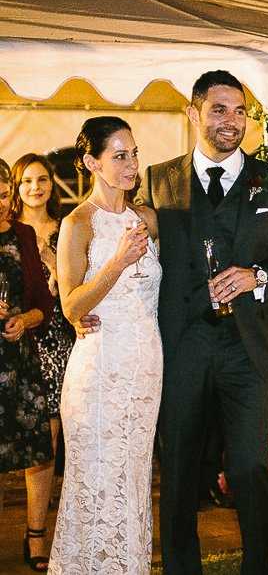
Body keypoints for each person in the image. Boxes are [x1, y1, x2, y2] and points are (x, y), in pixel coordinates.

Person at [135, 70, 268, 575]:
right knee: (179, 469)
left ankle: (257, 567)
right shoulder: (158, 179)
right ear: (193, 114)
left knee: (250, 465)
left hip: (246, 345)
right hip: (181, 343)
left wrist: (258, 276)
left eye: (240, 112)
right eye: (219, 109)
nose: (232, 121)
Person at [46, 117, 160, 573]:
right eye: (120, 156)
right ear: (92, 162)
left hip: (146, 365)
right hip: (100, 367)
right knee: (97, 477)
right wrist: (117, 261)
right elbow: (72, 306)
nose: (132, 165)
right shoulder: (77, 223)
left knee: (134, 476)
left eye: (134, 154)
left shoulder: (147, 219)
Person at [0, 158, 55, 573]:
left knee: (39, 451)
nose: (0, 203)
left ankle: (36, 538)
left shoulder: (23, 234)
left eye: (3, 195)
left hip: (21, 362)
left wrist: (25, 320)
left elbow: (44, 304)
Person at [12, 154, 76, 474]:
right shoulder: (7, 230)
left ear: (52, 185)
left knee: (48, 430)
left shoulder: (68, 228)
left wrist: (51, 258)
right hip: (14, 335)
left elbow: (80, 285)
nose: (35, 187)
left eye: (42, 180)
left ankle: (44, 497)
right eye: (27, 180)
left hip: (56, 338)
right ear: (15, 186)